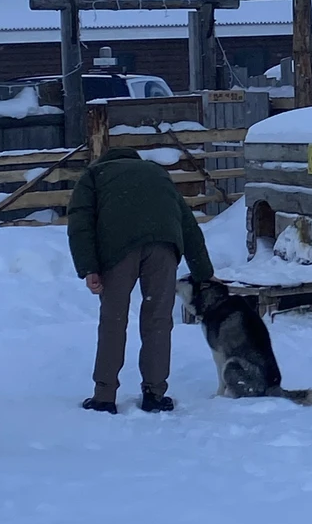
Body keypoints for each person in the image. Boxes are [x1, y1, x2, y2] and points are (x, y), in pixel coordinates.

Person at [67, 146, 215, 414]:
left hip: (117, 250)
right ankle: (155, 393)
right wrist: (204, 272)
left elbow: (81, 223)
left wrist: (89, 268)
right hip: (163, 246)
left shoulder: (94, 175)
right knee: (158, 320)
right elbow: (187, 223)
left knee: (113, 320)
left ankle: (104, 396)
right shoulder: (156, 173)